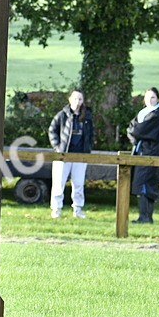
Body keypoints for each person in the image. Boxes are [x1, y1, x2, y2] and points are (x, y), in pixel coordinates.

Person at [48, 89, 94, 219]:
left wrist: (88, 148)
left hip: (80, 155)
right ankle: (56, 209)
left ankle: (78, 210)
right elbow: (52, 130)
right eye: (75, 99)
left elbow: (91, 134)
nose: (77, 102)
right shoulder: (62, 115)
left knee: (78, 184)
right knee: (58, 184)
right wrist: (58, 147)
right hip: (63, 155)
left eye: (80, 99)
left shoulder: (87, 116)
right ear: (69, 100)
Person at [127, 86, 159, 224]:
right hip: (141, 152)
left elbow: (138, 130)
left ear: (158, 99)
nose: (150, 100)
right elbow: (131, 128)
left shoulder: (157, 116)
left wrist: (135, 133)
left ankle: (145, 217)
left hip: (150, 154)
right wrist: (134, 135)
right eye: (147, 97)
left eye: (153, 97)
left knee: (145, 185)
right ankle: (144, 217)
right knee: (142, 184)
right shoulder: (143, 113)